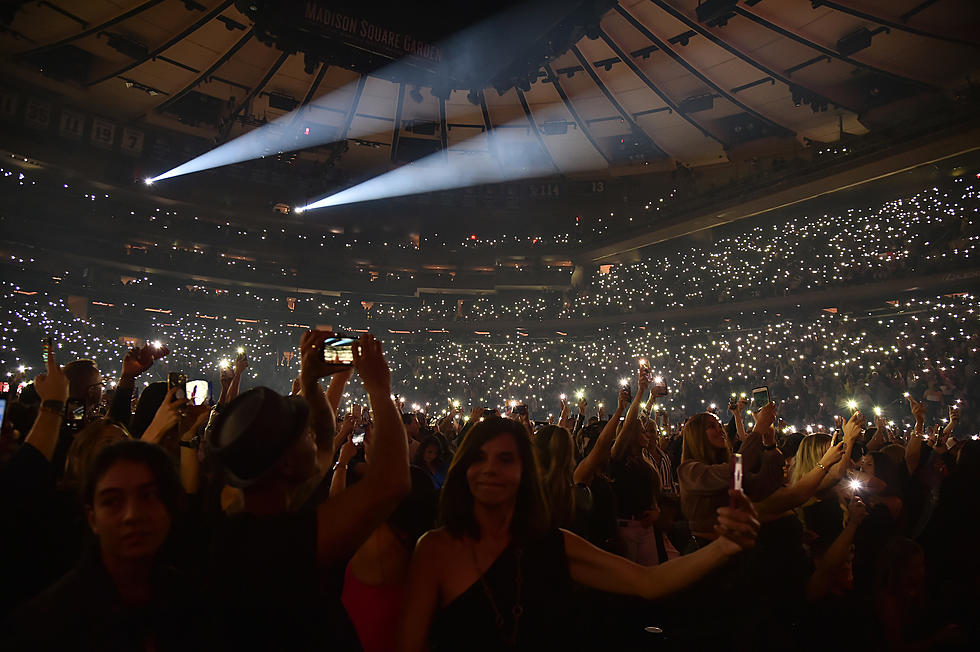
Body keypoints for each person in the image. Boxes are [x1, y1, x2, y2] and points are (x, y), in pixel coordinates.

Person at [398, 416, 760, 652]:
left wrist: (724, 546)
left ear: (526, 472)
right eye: (479, 458)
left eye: (506, 459)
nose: (490, 469)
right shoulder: (435, 550)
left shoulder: (553, 544)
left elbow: (647, 582)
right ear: (462, 467)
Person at [204, 331, 411, 650]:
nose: (312, 439)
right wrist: (379, 391)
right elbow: (392, 481)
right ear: (286, 464)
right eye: (304, 436)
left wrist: (311, 381)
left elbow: (326, 443)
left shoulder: (244, 519)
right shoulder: (280, 543)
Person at [1, 439, 201, 650]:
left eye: (148, 496)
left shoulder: (193, 603)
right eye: (112, 501)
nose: (131, 515)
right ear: (92, 518)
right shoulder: (44, 623)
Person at [677, 402, 784, 551]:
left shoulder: (726, 464)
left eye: (720, 425)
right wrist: (757, 430)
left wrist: (770, 443)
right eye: (711, 426)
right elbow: (734, 471)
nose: (720, 430)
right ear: (696, 435)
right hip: (705, 552)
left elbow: (764, 486)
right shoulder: (690, 471)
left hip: (736, 550)